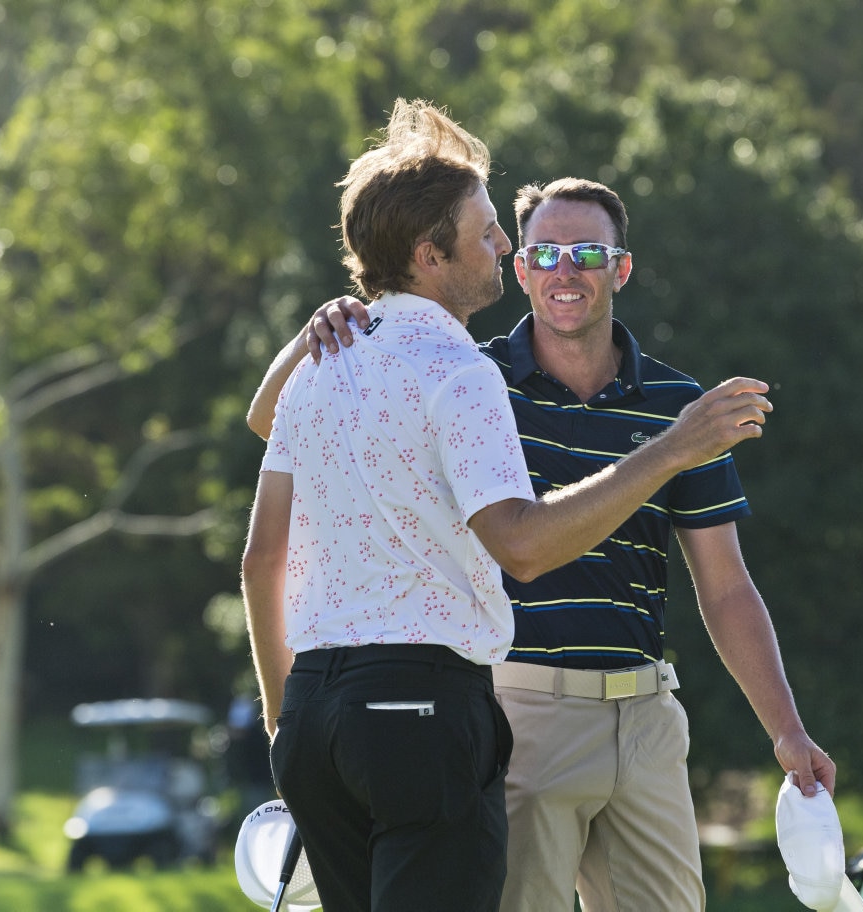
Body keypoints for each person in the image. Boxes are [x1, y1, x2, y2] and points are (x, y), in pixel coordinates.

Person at [242, 102, 777, 912]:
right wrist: (671, 449)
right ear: (434, 255)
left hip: (317, 713)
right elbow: (520, 547)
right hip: (432, 707)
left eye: (505, 232)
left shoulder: (322, 370)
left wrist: (285, 721)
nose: (505, 247)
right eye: (496, 235)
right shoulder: (465, 372)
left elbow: (258, 559)